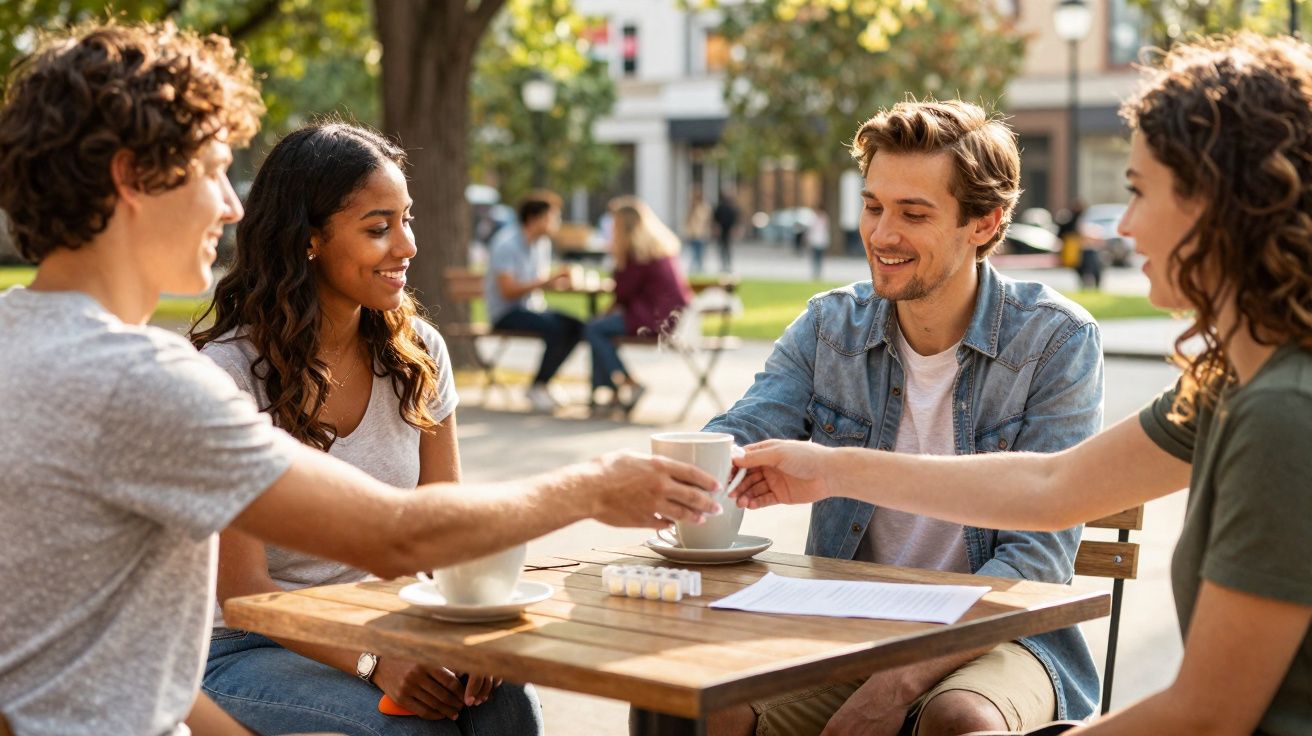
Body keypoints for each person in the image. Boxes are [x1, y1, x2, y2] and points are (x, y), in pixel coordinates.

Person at [0, 21, 721, 736]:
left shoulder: (18, 335)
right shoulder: (145, 382)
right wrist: (594, 486)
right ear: (131, 177)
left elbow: (121, 665)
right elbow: (393, 536)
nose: (233, 203)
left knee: (505, 710)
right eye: (213, 168)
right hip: (247, 658)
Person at [732, 33, 1312, 736]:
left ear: (1221, 206)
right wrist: (829, 469)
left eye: (1137, 192)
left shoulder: (1284, 410)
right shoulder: (1230, 384)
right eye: (874, 205)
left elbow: (1207, 717)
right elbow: (1050, 487)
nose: (1121, 226)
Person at [703, 100, 1104, 736]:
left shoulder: (1054, 341)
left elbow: (1038, 554)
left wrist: (895, 683)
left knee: (957, 719)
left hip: (996, 632)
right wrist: (682, 470)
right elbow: (742, 429)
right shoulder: (830, 325)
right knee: (704, 705)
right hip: (853, 622)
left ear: (985, 222)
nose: (882, 234)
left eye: (913, 214)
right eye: (873, 206)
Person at [187, 121, 539, 734]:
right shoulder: (227, 375)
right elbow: (244, 593)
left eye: (407, 219)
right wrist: (372, 660)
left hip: (395, 622)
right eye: (379, 227)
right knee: (402, 728)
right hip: (248, 648)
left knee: (507, 705)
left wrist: (470, 631)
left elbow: (444, 536)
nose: (406, 245)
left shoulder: (418, 352)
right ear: (308, 240)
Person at [583, 196, 693, 413]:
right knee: (599, 329)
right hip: (668, 317)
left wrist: (617, 261)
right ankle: (610, 392)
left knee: (594, 329)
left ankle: (624, 384)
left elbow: (623, 292)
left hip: (652, 320)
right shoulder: (657, 248)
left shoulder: (637, 254)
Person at [483, 191, 582, 413]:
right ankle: (538, 386)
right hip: (506, 313)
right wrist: (547, 281)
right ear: (535, 219)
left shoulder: (541, 244)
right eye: (552, 217)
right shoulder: (506, 244)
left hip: (532, 309)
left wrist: (559, 281)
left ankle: (545, 381)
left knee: (577, 326)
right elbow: (507, 291)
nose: (556, 223)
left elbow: (538, 283)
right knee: (556, 328)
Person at [684, 187, 712, 273]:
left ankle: (699, 268)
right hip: (693, 233)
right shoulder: (691, 207)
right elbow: (687, 221)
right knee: (695, 252)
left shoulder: (704, 207)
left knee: (700, 252)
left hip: (702, 233)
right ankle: (695, 268)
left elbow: (707, 220)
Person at [713, 190, 740, 273]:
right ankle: (723, 265)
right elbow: (715, 219)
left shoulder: (731, 208)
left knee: (727, 249)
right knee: (723, 248)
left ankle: (727, 265)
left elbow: (735, 220)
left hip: (727, 230)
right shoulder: (720, 208)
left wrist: (734, 229)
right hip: (722, 230)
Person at [806, 204, 831, 281]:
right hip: (814, 240)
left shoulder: (824, 218)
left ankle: (818, 273)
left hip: (822, 240)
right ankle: (815, 273)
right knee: (815, 258)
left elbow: (826, 230)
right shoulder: (813, 218)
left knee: (819, 258)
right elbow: (810, 230)